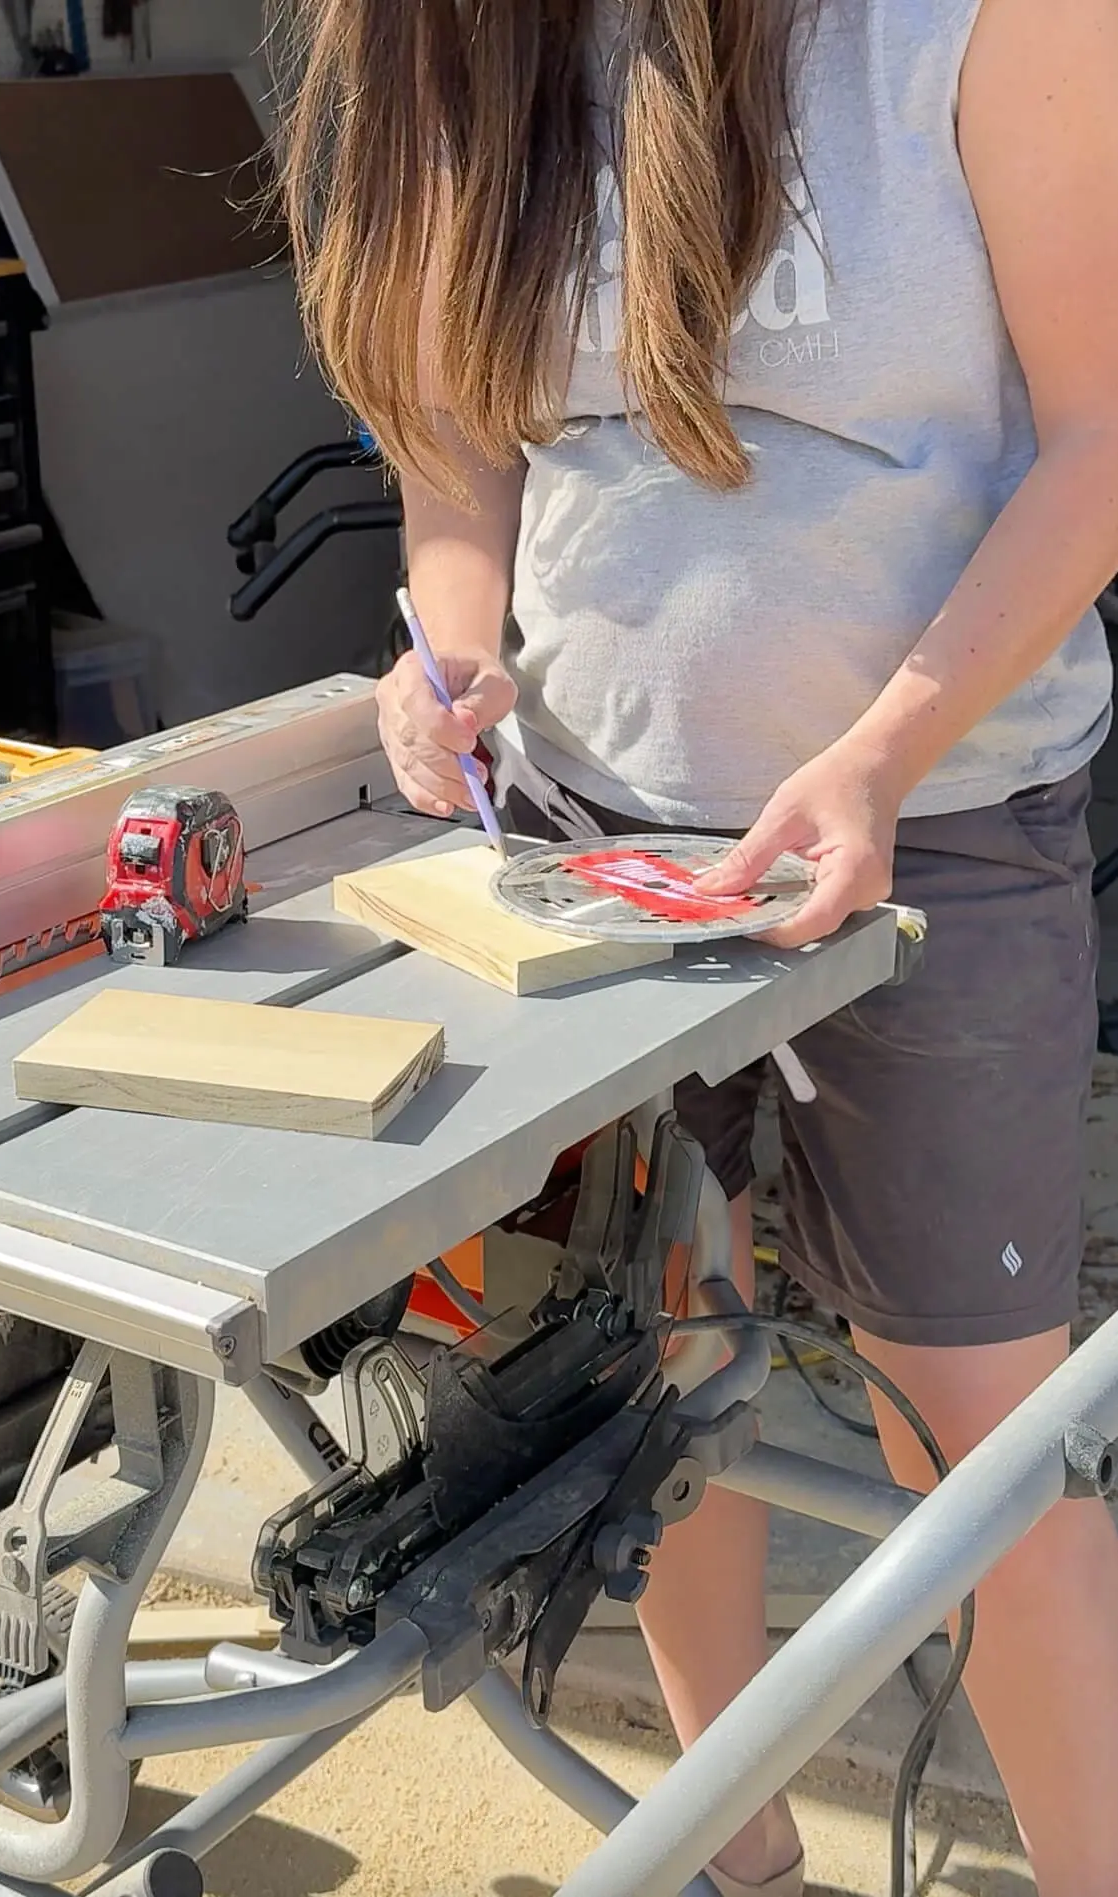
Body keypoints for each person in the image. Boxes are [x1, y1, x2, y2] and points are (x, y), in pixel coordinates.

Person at [276, 2, 1118, 1891]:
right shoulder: (471, 38)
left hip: (936, 846)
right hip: (589, 860)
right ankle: (737, 1869)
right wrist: (452, 647)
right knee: (649, 1409)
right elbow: (455, 461)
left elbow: (1104, 435)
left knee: (980, 1463)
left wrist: (882, 754)